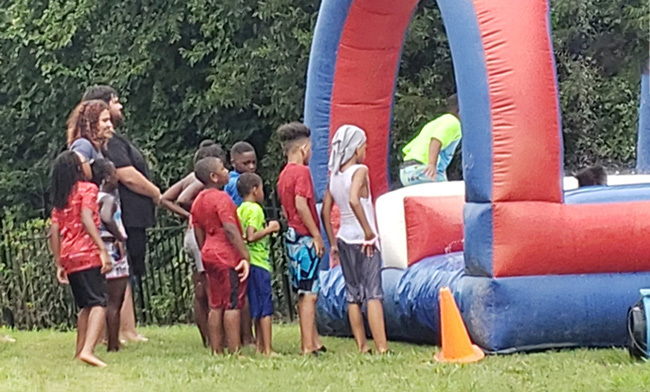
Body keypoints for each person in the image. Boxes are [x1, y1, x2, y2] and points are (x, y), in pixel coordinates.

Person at [82, 85, 156, 343]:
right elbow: (126, 174)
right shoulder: (100, 144)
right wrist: (157, 193)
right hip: (114, 220)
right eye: (115, 102)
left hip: (124, 217)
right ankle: (119, 331)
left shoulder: (112, 139)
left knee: (126, 273)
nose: (120, 106)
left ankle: (126, 329)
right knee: (116, 276)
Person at [322, 125, 389, 355]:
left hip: (343, 238)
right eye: (364, 145)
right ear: (355, 148)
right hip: (363, 240)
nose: (365, 149)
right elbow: (354, 200)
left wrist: (332, 242)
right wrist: (369, 231)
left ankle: (362, 346)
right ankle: (382, 347)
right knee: (373, 293)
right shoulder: (360, 170)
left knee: (353, 295)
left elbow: (326, 210)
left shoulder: (335, 175)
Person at [160, 140, 227, 346]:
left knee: (199, 287)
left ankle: (207, 337)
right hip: (199, 234)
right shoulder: (202, 182)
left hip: (190, 235)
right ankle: (215, 338)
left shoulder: (190, 176)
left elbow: (164, 198)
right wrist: (194, 213)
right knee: (208, 289)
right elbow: (180, 199)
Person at [49, 151, 112, 367]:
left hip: (69, 255)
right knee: (99, 303)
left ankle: (79, 351)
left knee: (85, 305)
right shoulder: (88, 189)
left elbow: (54, 231)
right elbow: (87, 218)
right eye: (84, 163)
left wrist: (59, 262)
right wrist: (102, 249)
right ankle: (89, 350)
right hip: (87, 253)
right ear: (78, 169)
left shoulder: (60, 198)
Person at [191, 157, 250, 354]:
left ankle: (216, 349)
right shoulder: (222, 198)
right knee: (233, 302)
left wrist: (204, 250)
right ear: (214, 177)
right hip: (226, 254)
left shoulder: (198, 200)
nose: (227, 172)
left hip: (208, 252)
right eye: (223, 169)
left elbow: (197, 230)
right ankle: (235, 349)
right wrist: (244, 255)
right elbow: (230, 228)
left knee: (215, 303)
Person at [276, 122, 326, 355]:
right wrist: (317, 235)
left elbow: (288, 209)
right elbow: (300, 204)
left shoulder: (283, 175)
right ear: (304, 148)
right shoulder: (302, 172)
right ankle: (308, 346)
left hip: (292, 235)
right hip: (305, 237)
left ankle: (314, 340)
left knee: (302, 289)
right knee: (309, 293)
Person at [236, 173, 280, 356]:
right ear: (255, 190)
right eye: (261, 188)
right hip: (259, 261)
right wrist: (270, 228)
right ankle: (268, 349)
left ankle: (261, 345)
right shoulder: (255, 210)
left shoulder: (240, 210)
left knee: (256, 307)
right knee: (265, 308)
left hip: (247, 262)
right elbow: (251, 235)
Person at [91, 159, 129, 352]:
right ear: (106, 178)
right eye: (114, 173)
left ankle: (108, 339)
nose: (117, 177)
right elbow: (106, 217)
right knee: (115, 300)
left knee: (105, 299)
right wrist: (120, 235)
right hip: (113, 251)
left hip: (99, 250)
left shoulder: (93, 198)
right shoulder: (107, 199)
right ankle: (113, 343)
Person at [223, 141, 257, 346]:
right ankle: (247, 336)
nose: (251, 167)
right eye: (245, 163)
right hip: (240, 240)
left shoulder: (231, 181)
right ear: (233, 162)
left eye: (253, 162)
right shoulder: (238, 185)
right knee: (241, 293)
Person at [400, 94, 461, 186]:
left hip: (406, 171)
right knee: (450, 194)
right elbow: (436, 139)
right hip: (422, 170)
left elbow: (408, 149)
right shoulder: (453, 122)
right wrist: (432, 165)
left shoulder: (440, 121)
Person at [66, 100, 114, 180]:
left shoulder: (97, 147)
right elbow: (78, 174)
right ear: (90, 123)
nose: (109, 125)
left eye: (109, 120)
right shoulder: (83, 144)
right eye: (104, 120)